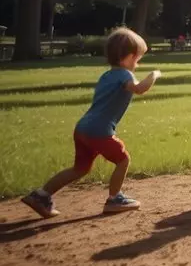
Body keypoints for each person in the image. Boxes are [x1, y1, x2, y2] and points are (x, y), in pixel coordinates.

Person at [22, 28, 161, 218]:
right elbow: (140, 89)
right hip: (99, 131)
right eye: (138, 59)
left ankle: (41, 195)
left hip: (83, 129)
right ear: (129, 57)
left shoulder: (106, 75)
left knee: (80, 168)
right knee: (123, 159)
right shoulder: (125, 76)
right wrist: (154, 74)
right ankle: (115, 199)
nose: (138, 64)